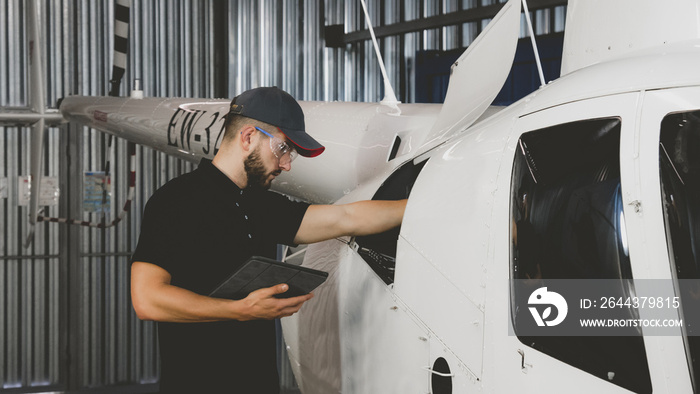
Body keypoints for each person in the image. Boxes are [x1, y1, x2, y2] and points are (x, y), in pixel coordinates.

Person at [130, 86, 407, 393]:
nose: (287, 164)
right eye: (283, 149)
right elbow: (147, 299)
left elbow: (346, 218)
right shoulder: (175, 201)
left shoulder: (259, 204)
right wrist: (238, 310)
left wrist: (424, 203)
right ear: (248, 137)